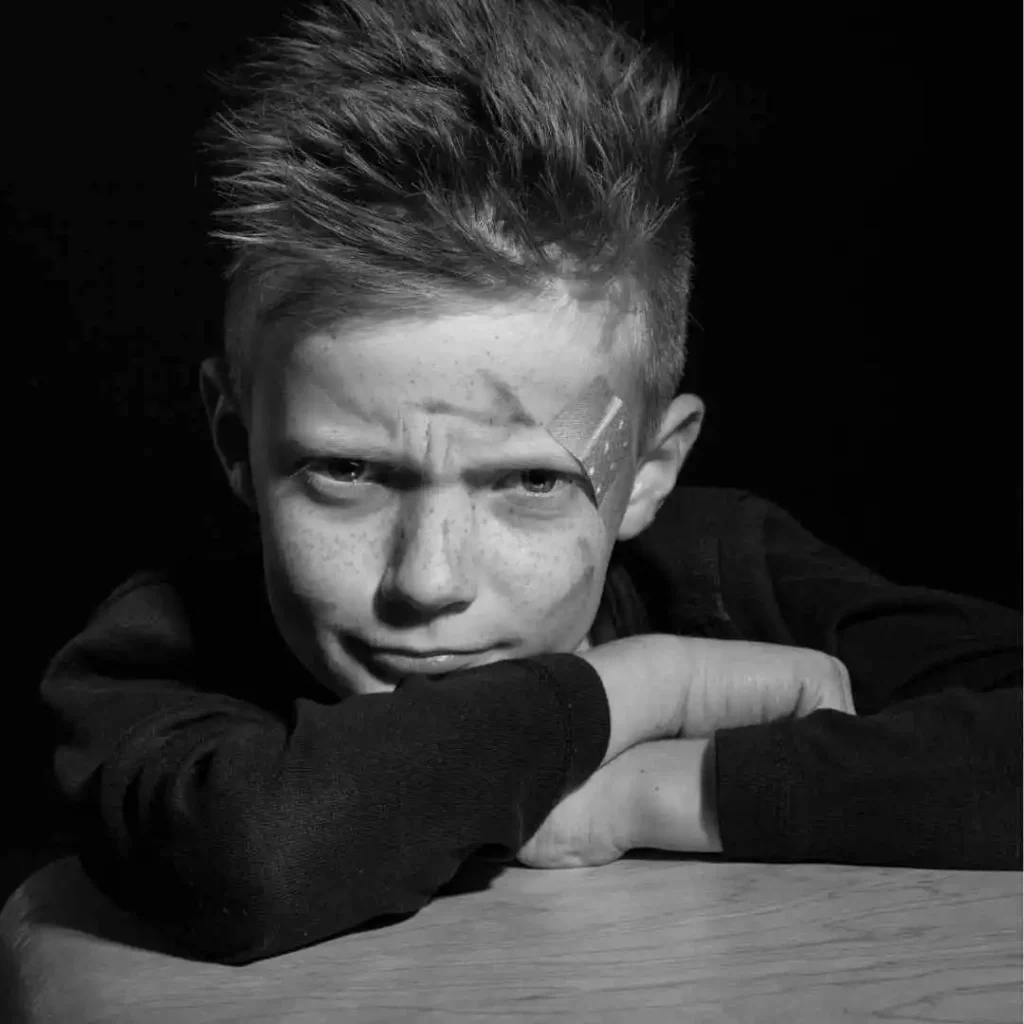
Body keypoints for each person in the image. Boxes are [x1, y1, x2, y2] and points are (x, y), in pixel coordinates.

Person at [40, 0, 1021, 965]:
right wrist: (633, 689)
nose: (426, 581)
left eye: (530, 484)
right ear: (233, 440)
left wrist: (657, 791)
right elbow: (251, 861)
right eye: (345, 472)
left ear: (646, 471)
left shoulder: (720, 570)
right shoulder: (160, 646)